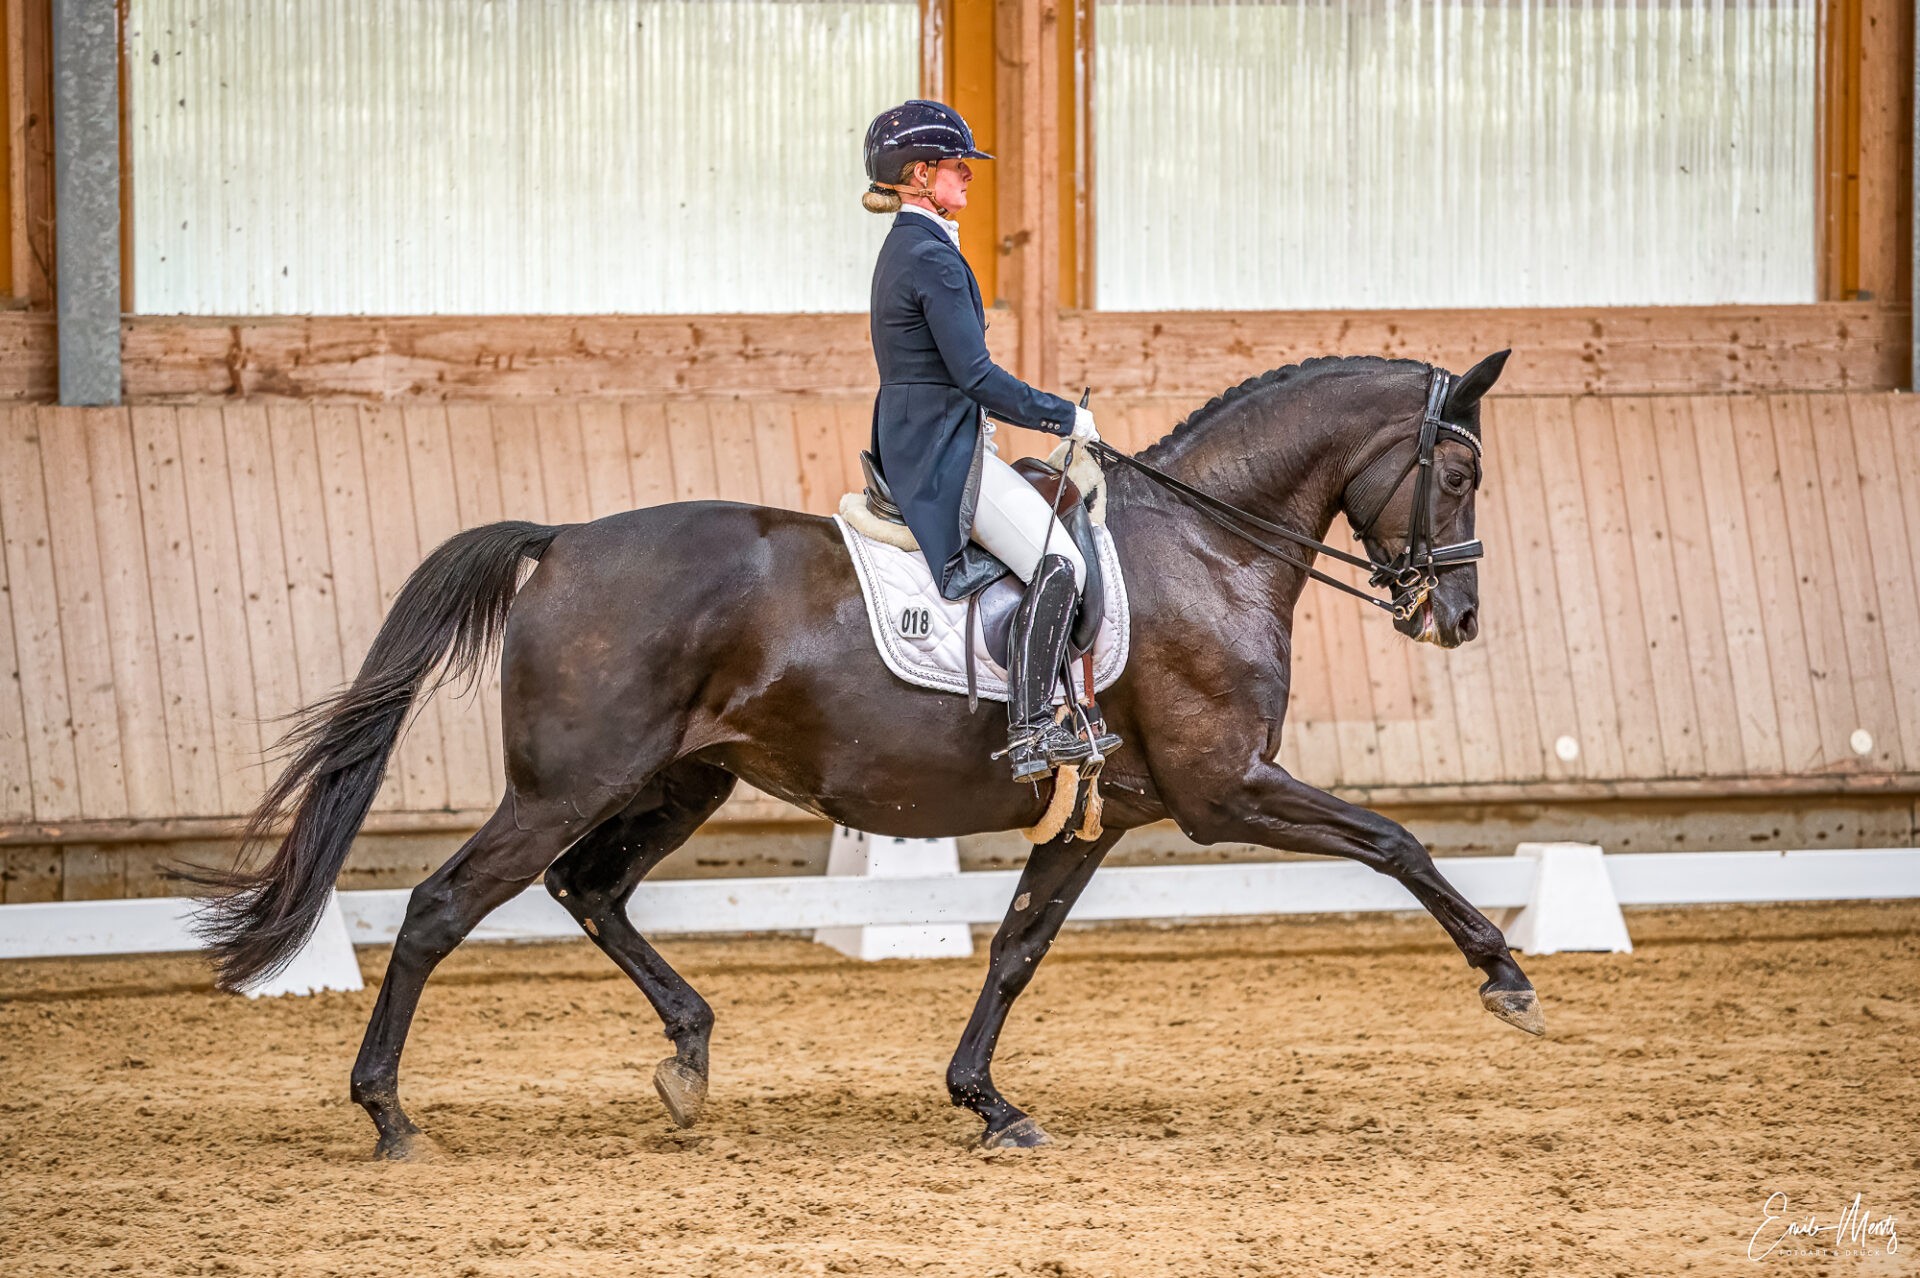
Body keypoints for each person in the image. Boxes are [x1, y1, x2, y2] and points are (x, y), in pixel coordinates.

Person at [861, 99, 1120, 784]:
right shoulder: (931, 259)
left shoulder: (910, 248)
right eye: (957, 168)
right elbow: (975, 375)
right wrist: (1066, 418)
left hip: (921, 437)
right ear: (919, 175)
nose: (969, 178)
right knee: (1061, 562)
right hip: (940, 453)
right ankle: (1032, 730)